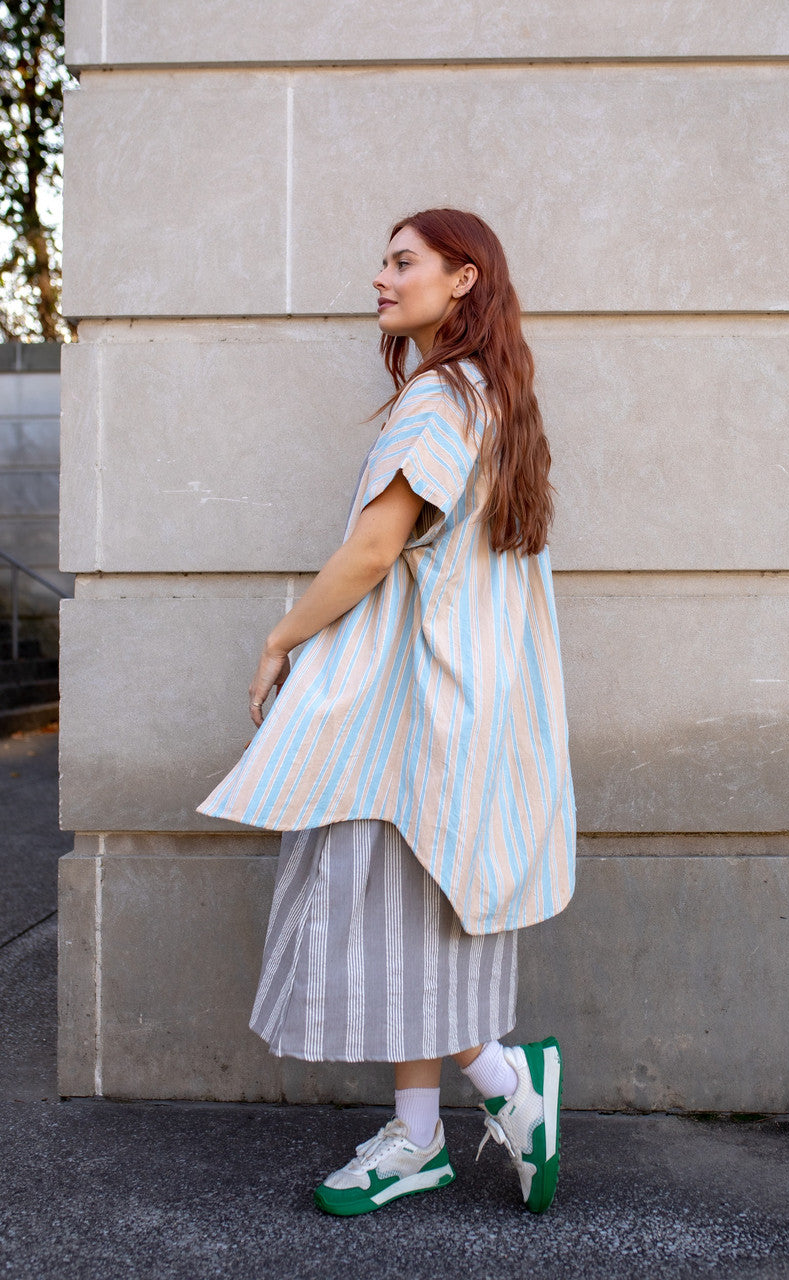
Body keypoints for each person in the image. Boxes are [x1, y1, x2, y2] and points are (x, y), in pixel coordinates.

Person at [197, 208, 576, 1217]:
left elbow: (371, 554)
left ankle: (501, 1081)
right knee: (415, 922)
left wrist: (280, 638)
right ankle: (417, 1133)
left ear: (461, 279)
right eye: (382, 258)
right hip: (468, 707)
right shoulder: (489, 397)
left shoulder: (433, 402)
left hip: (413, 710)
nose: (379, 276)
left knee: (373, 917)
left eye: (403, 261)